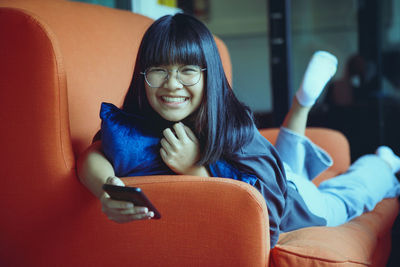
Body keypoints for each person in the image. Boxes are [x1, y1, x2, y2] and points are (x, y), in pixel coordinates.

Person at [77, 13, 400, 248]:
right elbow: (93, 153)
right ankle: (300, 105)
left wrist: (196, 170)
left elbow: (270, 216)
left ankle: (383, 162)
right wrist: (108, 188)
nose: (171, 84)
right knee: (287, 163)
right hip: (271, 169)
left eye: (187, 70)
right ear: (142, 76)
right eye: (158, 70)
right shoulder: (137, 122)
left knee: (345, 197)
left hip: (291, 198)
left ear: (210, 75)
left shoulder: (234, 126)